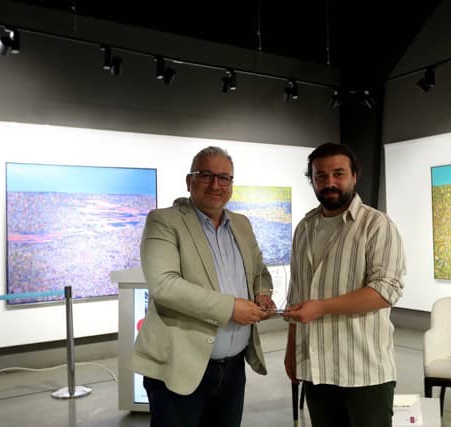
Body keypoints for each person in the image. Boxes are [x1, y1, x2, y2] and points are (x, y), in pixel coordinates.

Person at [131, 146, 276, 427]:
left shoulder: (242, 224)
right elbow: (164, 285)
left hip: (233, 370)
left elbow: (260, 272)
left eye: (224, 178)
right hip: (180, 368)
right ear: (190, 181)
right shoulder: (164, 221)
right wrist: (231, 308)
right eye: (206, 175)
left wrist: (262, 294)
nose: (215, 185)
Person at [283, 142, 406, 427]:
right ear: (312, 180)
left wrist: (321, 307)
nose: (330, 183)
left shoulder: (377, 225)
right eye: (321, 176)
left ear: (354, 176)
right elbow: (296, 293)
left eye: (338, 174)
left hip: (364, 371)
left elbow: (385, 291)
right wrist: (292, 350)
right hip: (316, 369)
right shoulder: (304, 228)